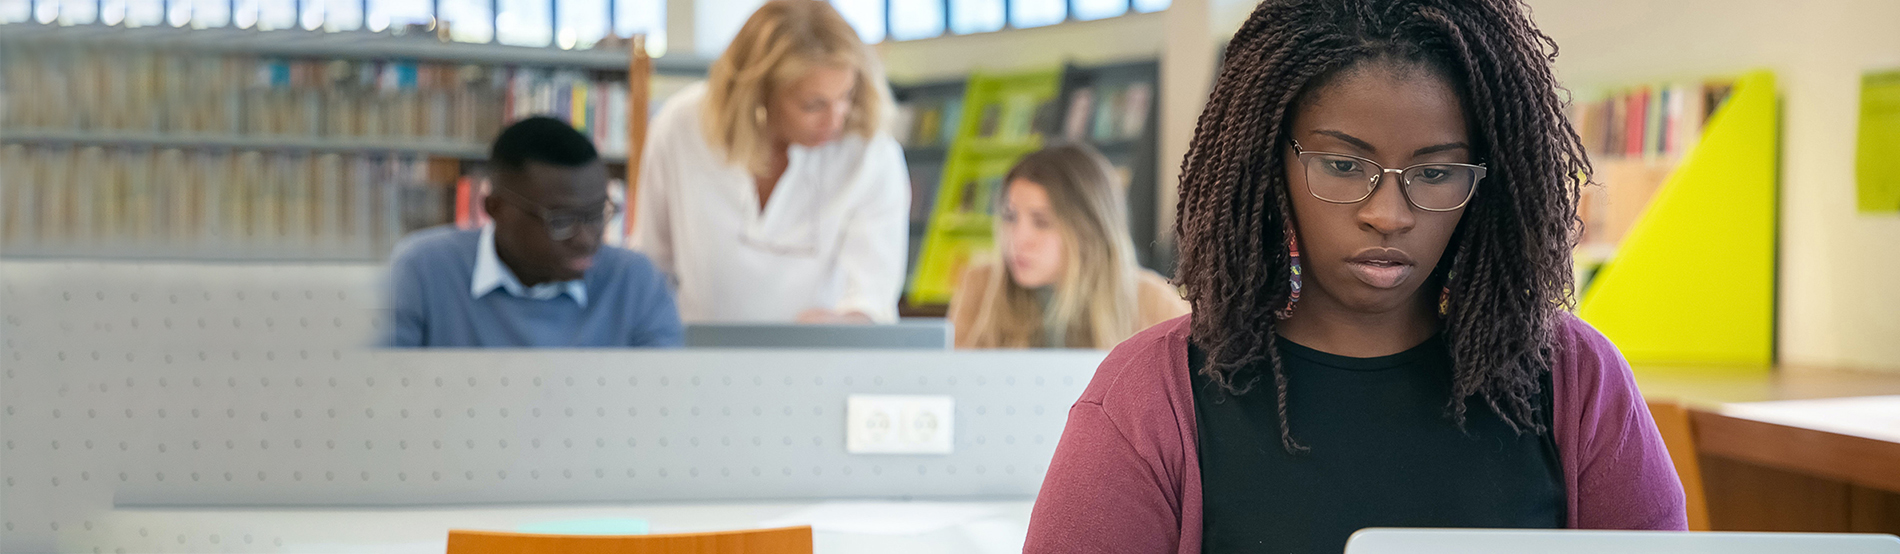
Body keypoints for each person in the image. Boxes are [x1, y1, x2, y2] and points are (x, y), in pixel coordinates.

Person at [1024, 0, 1688, 552]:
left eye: (1434, 173)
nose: (1387, 214)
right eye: (1343, 166)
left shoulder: (1577, 380)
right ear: (1269, 161)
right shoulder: (1150, 396)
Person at [631, 0, 908, 325]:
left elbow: (872, 298)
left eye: (846, 96)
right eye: (813, 105)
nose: (836, 119)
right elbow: (650, 267)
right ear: (759, 95)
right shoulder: (681, 127)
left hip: (822, 366)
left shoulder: (871, 152)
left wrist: (845, 324)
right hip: (693, 361)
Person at [384, 116, 683, 348]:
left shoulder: (634, 281)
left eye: (596, 215)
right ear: (495, 207)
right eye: (562, 220)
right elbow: (377, 391)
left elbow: (667, 403)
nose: (586, 238)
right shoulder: (424, 270)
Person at [948, 144, 1188, 349]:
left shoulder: (1150, 299)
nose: (1018, 238)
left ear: (1088, 230)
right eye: (1010, 217)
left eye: (1042, 222)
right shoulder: (980, 284)